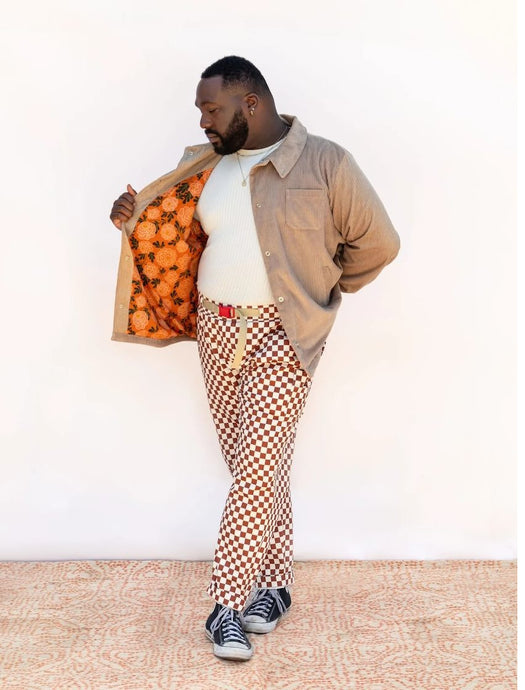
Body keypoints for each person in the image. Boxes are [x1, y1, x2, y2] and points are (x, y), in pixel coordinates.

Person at [109, 55, 400, 661]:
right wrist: (129, 219)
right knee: (256, 465)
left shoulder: (326, 163)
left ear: (251, 104)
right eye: (200, 111)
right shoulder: (205, 164)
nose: (203, 121)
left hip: (283, 332)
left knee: (257, 465)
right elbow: (173, 234)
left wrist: (323, 289)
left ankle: (225, 606)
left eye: (211, 109)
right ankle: (274, 585)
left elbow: (379, 243)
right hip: (217, 329)